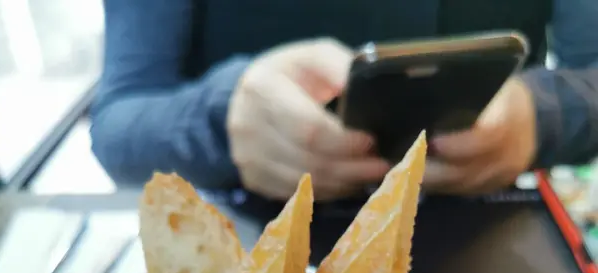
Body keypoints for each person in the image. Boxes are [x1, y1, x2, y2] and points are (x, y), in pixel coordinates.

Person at [91, 0, 598, 200]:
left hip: (484, 237)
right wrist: (224, 116)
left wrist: (537, 115)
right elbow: (118, 122)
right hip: (253, 239)